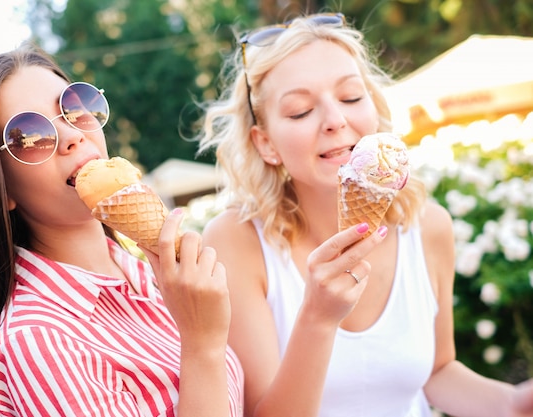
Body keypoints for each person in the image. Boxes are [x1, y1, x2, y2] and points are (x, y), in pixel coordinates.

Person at [196, 12, 533, 417]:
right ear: (266, 144)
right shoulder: (237, 243)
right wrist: (318, 319)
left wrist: (514, 403)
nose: (336, 121)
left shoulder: (428, 226)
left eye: (351, 97)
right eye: (301, 111)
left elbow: (437, 372)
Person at [0, 43, 243, 417]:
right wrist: (203, 345)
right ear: (0, 189)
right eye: (28, 135)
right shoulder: (38, 342)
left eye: (75, 106)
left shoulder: (148, 276)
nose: (71, 135)